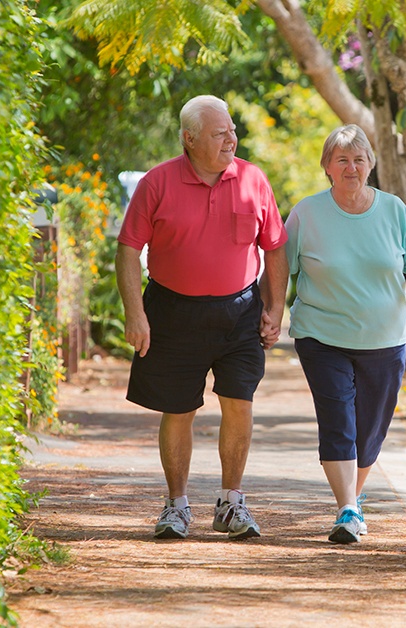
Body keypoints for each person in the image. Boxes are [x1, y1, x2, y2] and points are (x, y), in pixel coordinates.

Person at [116, 95, 289, 541]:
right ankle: (176, 507)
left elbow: (274, 248)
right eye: (219, 133)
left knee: (239, 403)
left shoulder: (253, 179)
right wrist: (135, 314)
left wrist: (274, 308)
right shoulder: (157, 183)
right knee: (179, 410)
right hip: (173, 311)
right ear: (189, 139)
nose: (231, 138)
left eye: (232, 130)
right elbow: (128, 250)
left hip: (240, 313)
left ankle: (232, 504)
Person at [284, 124, 406, 544]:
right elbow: (282, 269)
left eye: (359, 159)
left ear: (370, 164)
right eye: (342, 160)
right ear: (327, 167)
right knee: (339, 420)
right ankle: (347, 509)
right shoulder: (307, 213)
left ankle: (352, 497)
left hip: (385, 339)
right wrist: (267, 313)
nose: (351, 167)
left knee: (371, 428)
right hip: (321, 335)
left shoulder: (393, 210)